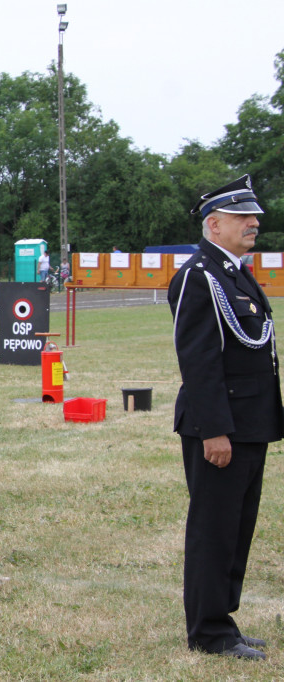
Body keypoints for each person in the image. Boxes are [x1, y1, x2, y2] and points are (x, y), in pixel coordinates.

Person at [169, 174, 283, 660]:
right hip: (221, 425)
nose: (254, 223)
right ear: (214, 225)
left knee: (237, 526)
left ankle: (224, 619)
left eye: (253, 215)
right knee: (215, 528)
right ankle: (209, 631)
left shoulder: (233, 271)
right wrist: (215, 429)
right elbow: (198, 360)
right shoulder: (200, 275)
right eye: (243, 216)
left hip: (250, 421)